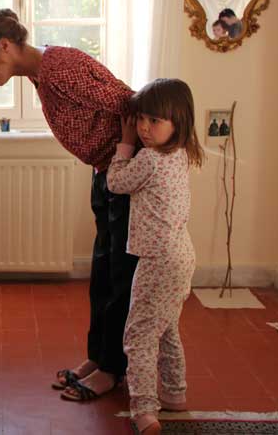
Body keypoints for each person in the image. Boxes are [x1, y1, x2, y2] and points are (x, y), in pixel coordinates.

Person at [0, 9, 136, 401]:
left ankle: (111, 370)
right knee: (103, 276)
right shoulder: (42, 73)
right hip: (106, 172)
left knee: (120, 278)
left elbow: (130, 103)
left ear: (5, 46)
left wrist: (124, 159)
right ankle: (98, 358)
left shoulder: (60, 68)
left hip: (124, 176)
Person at [106, 78, 204, 434]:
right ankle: (175, 394)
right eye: (140, 120)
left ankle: (145, 409)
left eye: (154, 121)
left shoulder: (148, 158)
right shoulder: (182, 154)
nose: (144, 128)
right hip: (181, 255)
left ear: (178, 122)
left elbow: (115, 182)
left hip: (158, 261)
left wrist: (125, 144)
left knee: (139, 336)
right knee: (166, 328)